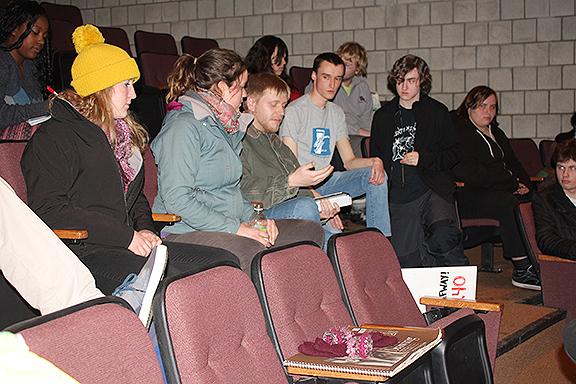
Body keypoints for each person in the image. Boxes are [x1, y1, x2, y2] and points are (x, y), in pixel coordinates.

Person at [21, 25, 239, 294]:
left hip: (127, 243)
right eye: (125, 85)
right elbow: (49, 210)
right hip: (84, 253)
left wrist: (146, 230)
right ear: (100, 88)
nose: (134, 95)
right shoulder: (54, 137)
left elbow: (136, 199)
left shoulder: (123, 135)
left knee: (223, 264)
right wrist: (125, 237)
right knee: (176, 284)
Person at [151, 50, 323, 271]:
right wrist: (236, 228)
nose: (243, 95)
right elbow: (177, 200)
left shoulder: (224, 127)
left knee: (308, 233)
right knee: (251, 249)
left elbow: (232, 192)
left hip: (228, 224)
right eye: (241, 87)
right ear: (222, 87)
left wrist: (255, 219)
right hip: (184, 231)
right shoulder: (182, 126)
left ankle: (293, 302)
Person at [279, 52, 391, 237]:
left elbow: (349, 161)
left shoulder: (337, 112)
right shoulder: (294, 111)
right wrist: (319, 199)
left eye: (337, 78)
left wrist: (375, 161)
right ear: (314, 76)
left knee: (377, 175)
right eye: (326, 77)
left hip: (328, 181)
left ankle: (378, 239)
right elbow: (291, 169)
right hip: (302, 187)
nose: (332, 84)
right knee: (333, 235)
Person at [371, 54, 467, 268]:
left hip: (431, 187)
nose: (404, 86)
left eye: (411, 81)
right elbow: (377, 155)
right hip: (399, 195)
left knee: (445, 238)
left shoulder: (437, 112)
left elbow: (455, 153)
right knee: (406, 260)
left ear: (421, 81)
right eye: (399, 80)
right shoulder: (383, 116)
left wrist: (424, 158)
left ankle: (459, 298)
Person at [451, 85, 538, 289]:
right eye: (482, 106)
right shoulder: (461, 134)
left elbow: (513, 163)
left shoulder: (496, 132)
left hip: (499, 190)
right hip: (469, 196)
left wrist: (524, 184)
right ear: (469, 107)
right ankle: (522, 268)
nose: (488, 112)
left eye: (492, 107)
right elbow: (471, 173)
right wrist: (511, 183)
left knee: (534, 199)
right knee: (507, 203)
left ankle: (539, 260)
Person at [240, 72, 342, 246]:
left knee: (335, 234)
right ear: (251, 103)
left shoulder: (277, 144)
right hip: (258, 214)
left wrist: (320, 206)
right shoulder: (239, 140)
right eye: (274, 105)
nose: (281, 112)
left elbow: (297, 190)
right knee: (305, 207)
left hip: (288, 208)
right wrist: (290, 182)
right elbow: (245, 191)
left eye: (284, 105)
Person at [0, 0, 49, 141]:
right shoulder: (2, 62)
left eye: (44, 36)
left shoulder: (30, 66)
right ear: (14, 28)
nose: (41, 41)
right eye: (35, 32)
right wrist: (47, 107)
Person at [533, 139, 576, 261]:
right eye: (561, 167)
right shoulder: (545, 199)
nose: (565, 174)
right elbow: (546, 241)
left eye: (572, 168)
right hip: (568, 263)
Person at [244, 35, 302, 101]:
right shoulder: (251, 84)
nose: (284, 62)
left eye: (284, 58)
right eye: (278, 58)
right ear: (264, 60)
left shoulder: (285, 81)